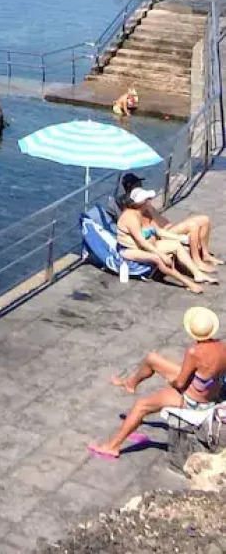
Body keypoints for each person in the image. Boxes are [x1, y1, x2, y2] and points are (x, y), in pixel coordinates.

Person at [89, 306, 226, 459]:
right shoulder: (222, 347)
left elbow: (180, 384)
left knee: (141, 405)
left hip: (195, 399)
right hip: (207, 389)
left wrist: (172, 381)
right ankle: (130, 383)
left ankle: (112, 446)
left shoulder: (194, 352)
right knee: (152, 359)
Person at [115, 190, 214, 291]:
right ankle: (188, 284)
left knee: (176, 245)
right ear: (142, 202)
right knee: (158, 259)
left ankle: (198, 274)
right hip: (130, 250)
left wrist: (180, 238)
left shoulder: (142, 213)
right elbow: (142, 242)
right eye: (148, 199)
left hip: (149, 245)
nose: (150, 201)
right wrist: (161, 254)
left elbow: (157, 231)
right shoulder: (130, 218)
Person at [123, 172, 218, 269]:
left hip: (169, 227)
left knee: (204, 219)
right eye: (138, 183)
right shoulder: (136, 207)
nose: (141, 185)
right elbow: (149, 228)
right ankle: (197, 261)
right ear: (133, 186)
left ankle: (205, 255)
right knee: (193, 226)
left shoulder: (143, 200)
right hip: (163, 233)